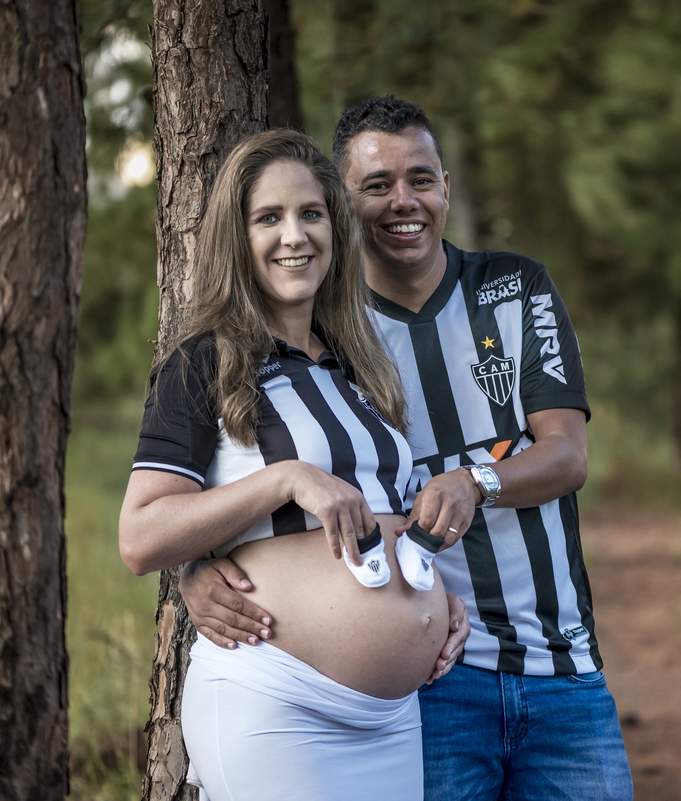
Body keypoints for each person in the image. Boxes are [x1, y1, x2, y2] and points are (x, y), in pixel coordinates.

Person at [182, 97, 634, 800]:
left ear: (445, 187)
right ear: (342, 203)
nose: (404, 201)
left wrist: (476, 480)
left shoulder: (514, 288)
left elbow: (567, 455)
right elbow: (240, 466)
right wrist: (196, 568)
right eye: (377, 184)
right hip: (430, 683)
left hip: (560, 667)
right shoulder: (331, 338)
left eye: (421, 179)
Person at [118, 129, 470, 801]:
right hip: (277, 702)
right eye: (269, 217)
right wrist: (285, 479)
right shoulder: (205, 362)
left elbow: (382, 516)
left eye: (311, 213)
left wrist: (435, 603)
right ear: (237, 237)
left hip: (392, 717)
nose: (294, 235)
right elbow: (140, 537)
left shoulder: (359, 368)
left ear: (334, 229)